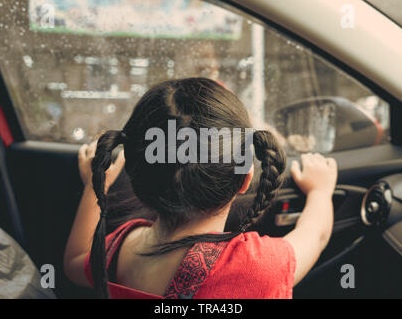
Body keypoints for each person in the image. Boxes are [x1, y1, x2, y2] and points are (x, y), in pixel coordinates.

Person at [64, 77, 337, 299]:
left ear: (136, 176)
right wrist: (320, 191)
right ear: (245, 179)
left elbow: (74, 261)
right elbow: (317, 234)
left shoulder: (116, 250)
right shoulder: (256, 268)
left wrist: (93, 185)